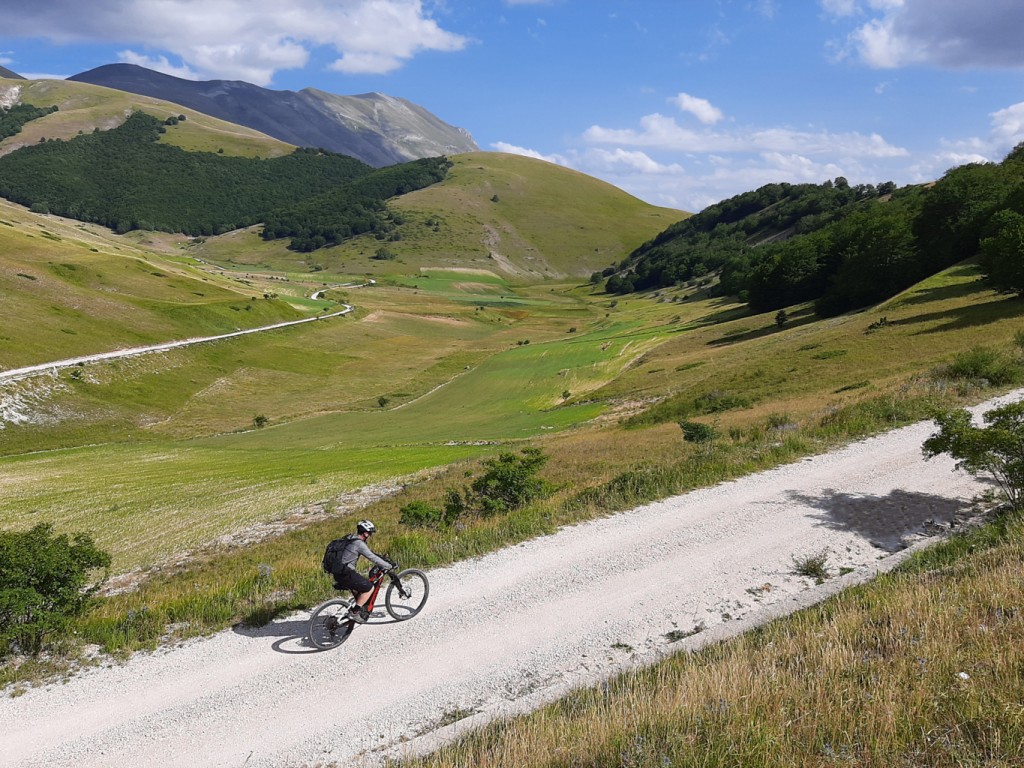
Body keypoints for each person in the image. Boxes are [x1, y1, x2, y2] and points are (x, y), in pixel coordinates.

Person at [332, 519, 393, 623]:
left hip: (337, 572)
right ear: (365, 533)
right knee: (369, 588)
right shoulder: (359, 544)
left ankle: (359, 608)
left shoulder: (349, 538)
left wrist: (380, 558)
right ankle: (354, 613)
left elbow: (369, 553)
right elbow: (372, 557)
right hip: (346, 573)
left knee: (360, 585)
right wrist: (388, 565)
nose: (370, 535)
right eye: (369, 533)